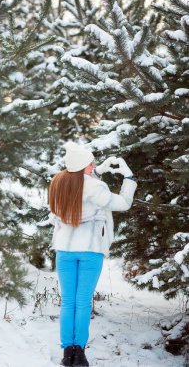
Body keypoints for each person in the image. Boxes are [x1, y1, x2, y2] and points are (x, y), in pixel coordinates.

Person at [48, 141, 138, 367]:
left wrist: (98, 171)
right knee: (83, 302)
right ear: (84, 166)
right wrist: (129, 178)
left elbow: (80, 181)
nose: (94, 166)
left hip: (65, 250)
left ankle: (67, 353)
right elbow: (124, 203)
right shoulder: (95, 188)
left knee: (68, 301)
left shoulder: (59, 183)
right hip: (90, 250)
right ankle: (80, 353)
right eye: (92, 163)